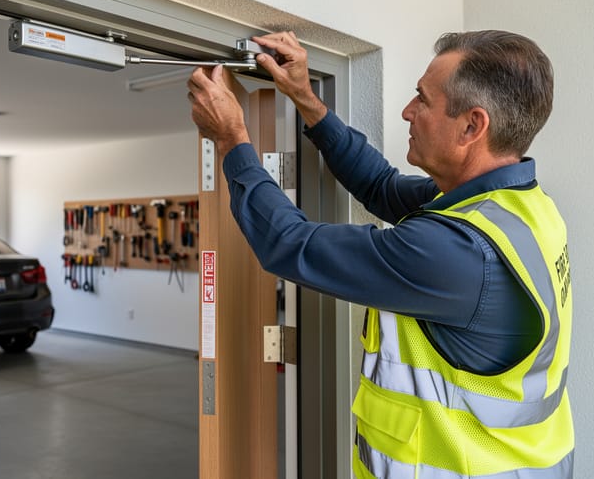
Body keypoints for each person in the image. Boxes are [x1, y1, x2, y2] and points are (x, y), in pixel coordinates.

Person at [187, 30, 574, 478]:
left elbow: (288, 244)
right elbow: (382, 187)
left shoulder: (458, 253)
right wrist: (305, 98)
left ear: (472, 125)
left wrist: (232, 139)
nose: (408, 111)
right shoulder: (519, 209)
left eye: (422, 100)